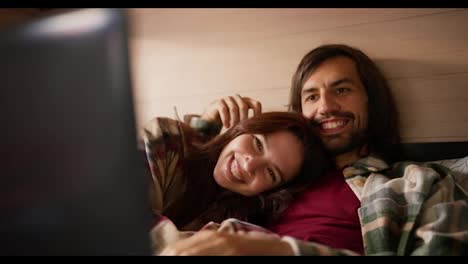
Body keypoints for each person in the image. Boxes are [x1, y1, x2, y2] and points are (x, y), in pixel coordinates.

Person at [159, 44, 468, 256]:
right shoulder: (263, 184)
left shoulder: (417, 184)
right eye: (310, 97)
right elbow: (172, 182)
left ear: (372, 101)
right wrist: (204, 125)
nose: (326, 106)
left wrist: (279, 251)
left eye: (342, 90)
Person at [141, 111, 333, 253]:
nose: (250, 166)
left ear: (271, 191)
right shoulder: (167, 141)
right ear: (243, 129)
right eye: (257, 143)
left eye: (270, 172)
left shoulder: (242, 233)